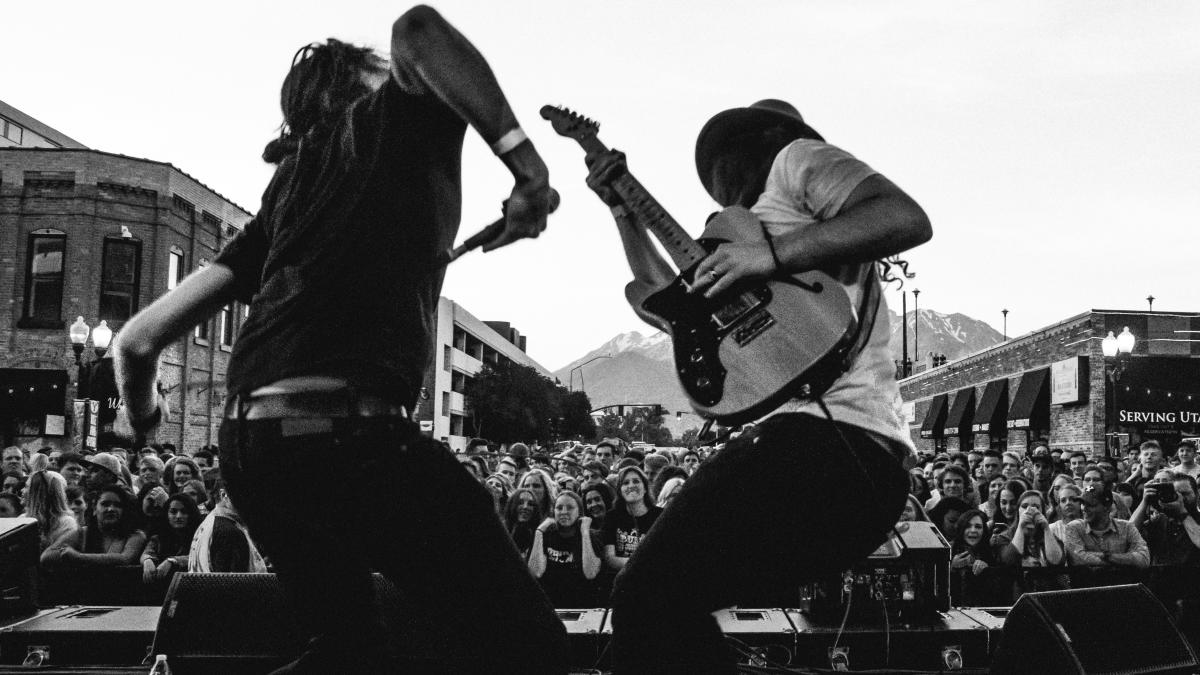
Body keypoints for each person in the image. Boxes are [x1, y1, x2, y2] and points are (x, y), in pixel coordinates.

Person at [113, 7, 566, 672]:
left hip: (253, 450)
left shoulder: (283, 199)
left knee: (349, 651)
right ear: (361, 84)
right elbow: (419, 29)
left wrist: (144, 417)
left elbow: (135, 342)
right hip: (351, 435)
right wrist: (527, 167)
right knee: (531, 644)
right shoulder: (390, 120)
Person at [584, 96, 929, 671]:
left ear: (761, 138)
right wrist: (623, 210)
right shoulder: (735, 238)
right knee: (662, 602)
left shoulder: (796, 161)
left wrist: (772, 255)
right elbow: (667, 300)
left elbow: (903, 217)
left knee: (646, 592)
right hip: (842, 464)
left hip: (831, 441)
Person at [528, 491, 602, 607]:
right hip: (551, 604)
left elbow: (590, 573)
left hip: (582, 604)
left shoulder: (591, 536)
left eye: (570, 508)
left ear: (579, 512)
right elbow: (536, 572)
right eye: (559, 508)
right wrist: (539, 532)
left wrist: (585, 532)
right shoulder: (545, 535)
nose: (564, 512)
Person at [42, 485, 146, 567]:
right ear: (94, 509)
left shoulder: (135, 535)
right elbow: (46, 556)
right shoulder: (82, 533)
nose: (111, 509)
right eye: (105, 504)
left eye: (118, 505)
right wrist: (65, 554)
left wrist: (78, 557)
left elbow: (125, 559)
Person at [142, 493, 202, 583]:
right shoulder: (158, 537)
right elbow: (147, 552)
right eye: (173, 512)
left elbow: (199, 557)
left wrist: (172, 561)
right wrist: (147, 560)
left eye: (184, 512)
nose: (178, 516)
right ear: (167, 514)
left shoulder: (200, 536)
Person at [24, 471, 78, 555]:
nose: (22, 491)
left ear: (37, 493)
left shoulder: (66, 523)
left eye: (26, 487)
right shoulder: (22, 519)